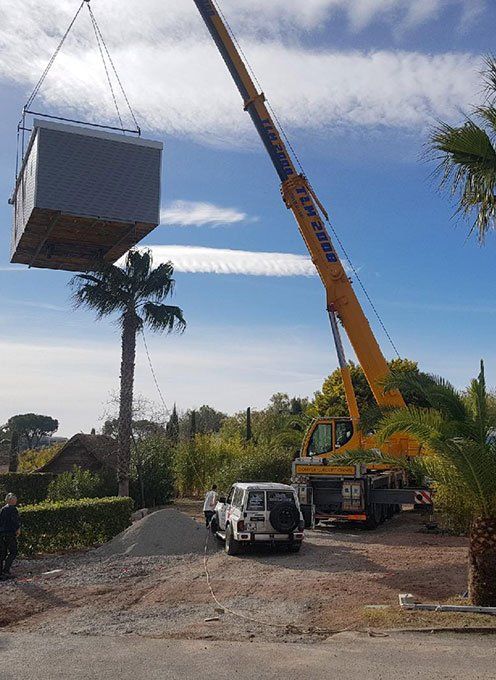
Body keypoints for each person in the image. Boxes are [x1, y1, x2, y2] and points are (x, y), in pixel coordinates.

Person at [0, 493, 20, 581]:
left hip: (1, 533)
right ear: (11, 500)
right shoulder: (13, 509)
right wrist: (18, 529)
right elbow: (14, 521)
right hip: (10, 533)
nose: (16, 500)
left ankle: (1, 573)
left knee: (2, 553)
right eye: (15, 499)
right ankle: (6, 570)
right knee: (13, 551)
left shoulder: (2, 509)